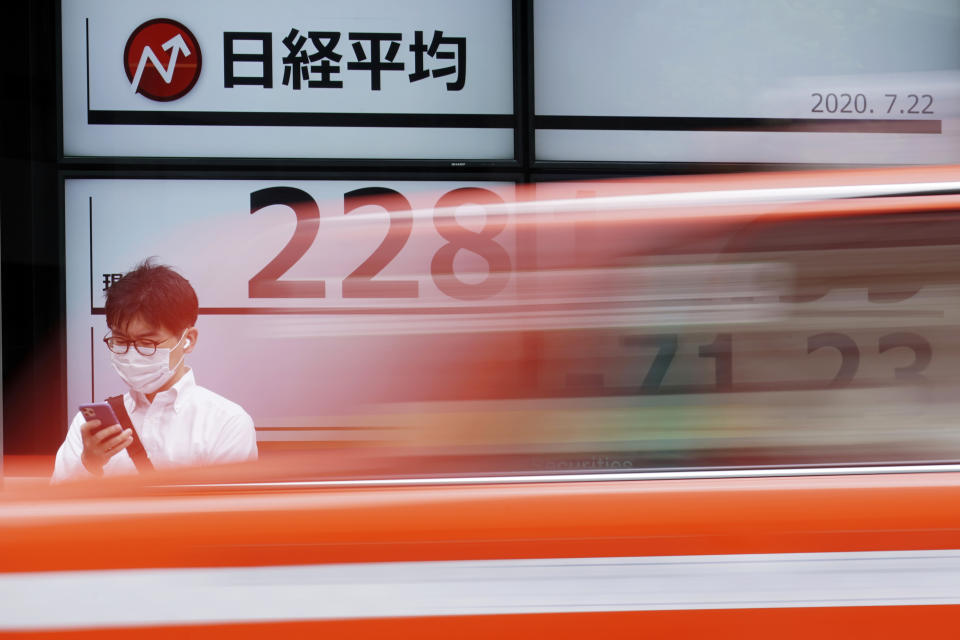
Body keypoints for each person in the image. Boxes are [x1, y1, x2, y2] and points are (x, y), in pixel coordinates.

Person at [52, 259, 257, 482]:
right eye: (120, 340)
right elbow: (57, 508)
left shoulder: (226, 422)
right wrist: (89, 465)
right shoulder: (89, 427)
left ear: (188, 339)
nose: (132, 354)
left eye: (147, 343)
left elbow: (229, 513)